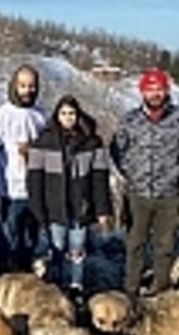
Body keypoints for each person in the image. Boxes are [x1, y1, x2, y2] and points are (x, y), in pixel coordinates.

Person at [111, 68, 179, 295]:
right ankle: (131, 288)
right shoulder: (130, 120)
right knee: (134, 243)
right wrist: (130, 173)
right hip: (137, 193)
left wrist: (176, 174)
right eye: (150, 89)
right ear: (142, 92)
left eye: (159, 89)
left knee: (165, 245)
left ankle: (160, 289)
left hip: (169, 194)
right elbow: (117, 149)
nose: (155, 94)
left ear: (167, 91)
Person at [27, 95, 113, 295]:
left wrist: (102, 209)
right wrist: (37, 208)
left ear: (78, 115)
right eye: (64, 113)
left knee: (78, 248)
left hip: (80, 205)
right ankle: (56, 285)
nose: (68, 117)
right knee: (56, 247)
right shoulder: (43, 142)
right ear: (57, 116)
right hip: (54, 205)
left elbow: (100, 179)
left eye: (72, 113)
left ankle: (76, 285)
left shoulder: (92, 142)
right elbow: (34, 180)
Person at [0, 64, 48, 272]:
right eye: (23, 85)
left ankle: (24, 283)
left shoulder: (41, 116)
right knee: (6, 242)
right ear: (14, 86)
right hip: (8, 190)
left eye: (31, 86)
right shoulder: (2, 115)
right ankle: (0, 283)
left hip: (34, 191)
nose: (28, 90)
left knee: (29, 244)